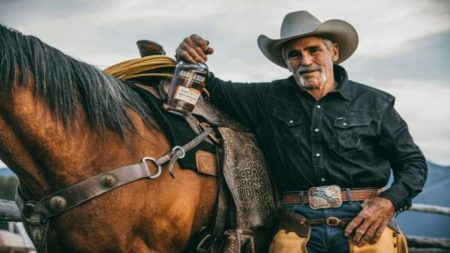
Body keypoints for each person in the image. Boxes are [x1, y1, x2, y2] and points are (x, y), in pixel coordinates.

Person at [175, 10, 427, 253]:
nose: (305, 61)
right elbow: (213, 86)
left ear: (334, 52)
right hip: (296, 227)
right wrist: (189, 56)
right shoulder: (265, 99)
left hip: (366, 223)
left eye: (314, 50)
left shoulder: (374, 103)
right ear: (287, 63)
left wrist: (389, 202)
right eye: (294, 55)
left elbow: (413, 163)